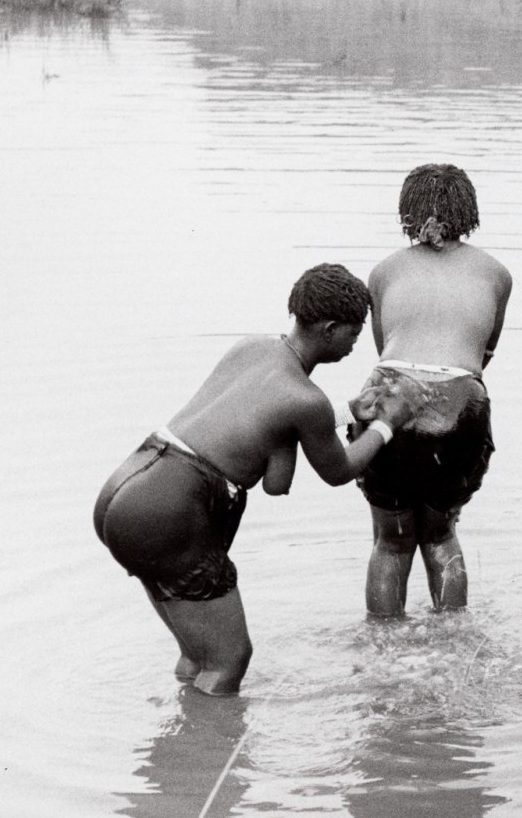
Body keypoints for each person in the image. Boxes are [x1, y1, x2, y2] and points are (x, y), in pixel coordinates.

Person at [94, 264, 421, 696]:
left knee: (200, 654)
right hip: (175, 507)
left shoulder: (252, 350)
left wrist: (342, 412)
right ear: (329, 329)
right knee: (230, 659)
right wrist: (387, 424)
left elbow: (274, 477)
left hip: (131, 487)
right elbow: (338, 471)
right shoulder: (306, 400)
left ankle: (183, 743)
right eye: (354, 333)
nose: (356, 343)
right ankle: (207, 754)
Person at [349, 163, 512, 619]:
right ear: (469, 210)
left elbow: (385, 351)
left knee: (391, 541)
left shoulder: (383, 271)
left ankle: (384, 647)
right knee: (439, 536)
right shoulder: (497, 273)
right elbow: (485, 351)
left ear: (407, 212)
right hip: (460, 399)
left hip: (389, 394)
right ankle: (452, 647)